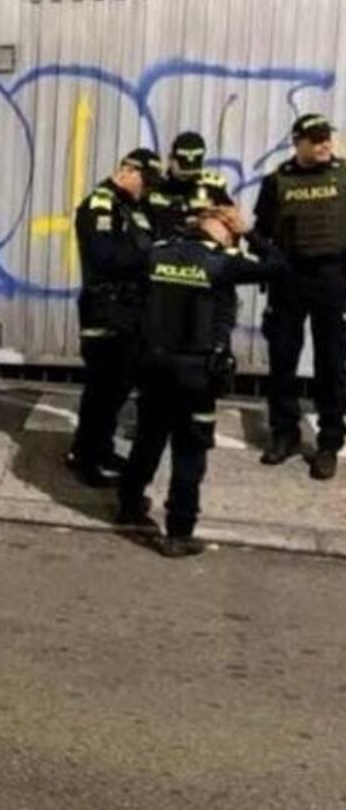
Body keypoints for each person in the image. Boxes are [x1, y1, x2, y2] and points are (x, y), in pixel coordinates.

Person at [117, 206, 284, 556]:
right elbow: (280, 267)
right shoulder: (221, 262)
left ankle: (129, 506)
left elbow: (125, 285)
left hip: (153, 364)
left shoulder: (156, 252)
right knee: (190, 452)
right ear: (222, 229)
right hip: (195, 372)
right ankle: (178, 533)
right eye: (231, 231)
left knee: (148, 439)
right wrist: (250, 233)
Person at [254, 113, 346, 480]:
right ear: (298, 142)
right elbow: (261, 232)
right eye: (316, 138)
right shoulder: (277, 181)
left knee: (332, 364)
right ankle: (284, 432)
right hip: (289, 277)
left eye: (328, 137)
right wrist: (272, 265)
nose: (325, 144)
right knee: (283, 359)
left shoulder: (343, 176)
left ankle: (328, 443)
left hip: (332, 278)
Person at [66, 148, 164, 487]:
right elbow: (106, 256)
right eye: (146, 180)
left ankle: (99, 447)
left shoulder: (133, 208)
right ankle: (85, 458)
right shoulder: (100, 205)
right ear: (128, 171)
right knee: (101, 388)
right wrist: (150, 256)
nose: (148, 188)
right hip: (104, 308)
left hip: (130, 312)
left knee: (118, 387)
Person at [147, 131, 234, 236]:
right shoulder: (156, 188)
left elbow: (231, 223)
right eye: (184, 175)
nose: (187, 179)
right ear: (171, 159)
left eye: (192, 175)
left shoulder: (213, 188)